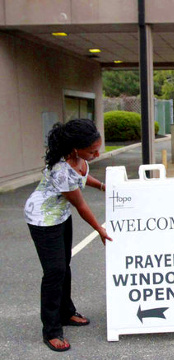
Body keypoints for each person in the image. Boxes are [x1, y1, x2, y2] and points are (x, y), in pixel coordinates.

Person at [24, 119, 112, 352]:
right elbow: (81, 206)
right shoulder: (61, 169)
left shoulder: (79, 159)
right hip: (43, 220)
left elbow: (82, 178)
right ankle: (51, 331)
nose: (96, 154)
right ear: (75, 148)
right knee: (55, 272)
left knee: (65, 265)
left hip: (60, 215)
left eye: (98, 148)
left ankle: (66, 313)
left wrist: (103, 186)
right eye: (92, 151)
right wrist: (100, 230)